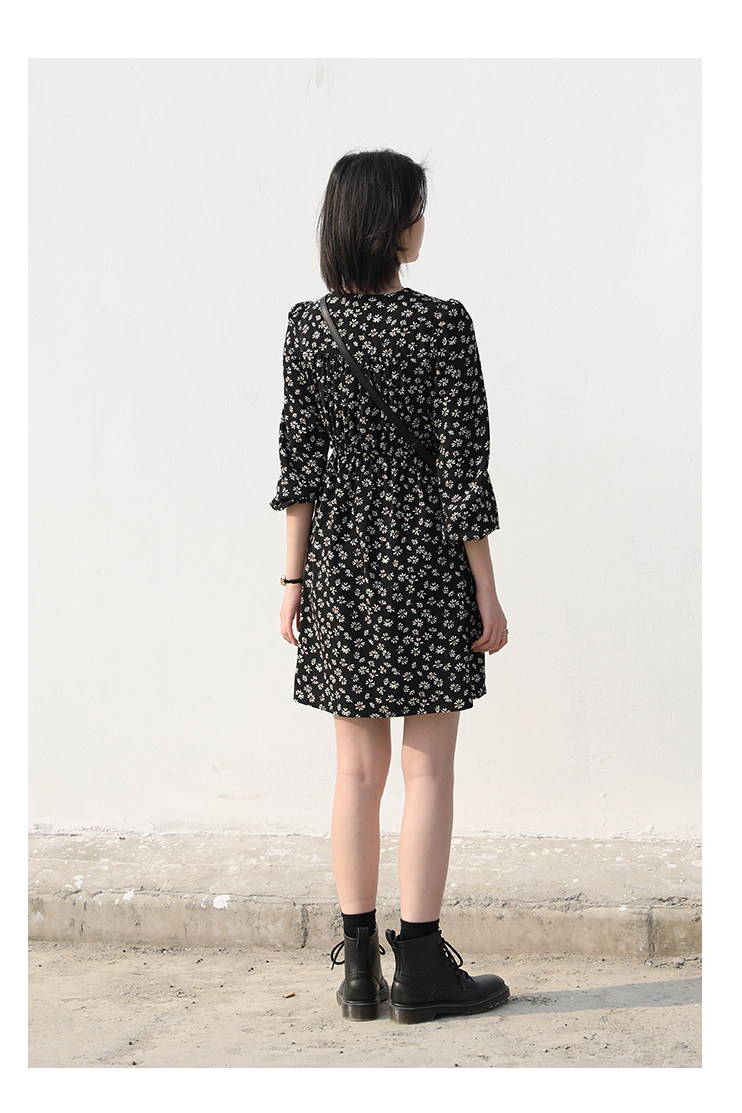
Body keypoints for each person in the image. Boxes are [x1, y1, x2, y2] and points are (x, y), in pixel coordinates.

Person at [270, 149, 510, 1023]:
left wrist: (293, 578)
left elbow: (300, 463)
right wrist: (487, 590)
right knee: (428, 767)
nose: (422, 222)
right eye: (416, 207)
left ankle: (360, 970)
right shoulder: (444, 325)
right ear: (390, 223)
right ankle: (422, 965)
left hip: (343, 565)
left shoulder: (308, 327)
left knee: (355, 771)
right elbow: (463, 473)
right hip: (428, 563)